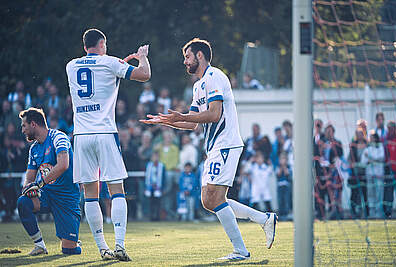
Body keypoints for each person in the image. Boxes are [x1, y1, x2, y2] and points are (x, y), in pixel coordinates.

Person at [141, 38, 277, 260]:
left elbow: (214, 114)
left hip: (226, 143)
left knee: (212, 197)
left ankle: (241, 249)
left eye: (187, 56)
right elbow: (194, 123)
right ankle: (264, 219)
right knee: (209, 200)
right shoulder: (198, 85)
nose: (185, 62)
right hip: (215, 147)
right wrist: (165, 121)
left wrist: (182, 115)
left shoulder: (215, 76)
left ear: (200, 56)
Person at [66, 28, 150, 261]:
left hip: (81, 135)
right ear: (102, 44)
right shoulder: (110, 62)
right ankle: (120, 244)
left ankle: (103, 248)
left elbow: (95, 72)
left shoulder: (71, 66)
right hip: (104, 132)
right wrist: (142, 56)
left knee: (90, 194)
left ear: (85, 46)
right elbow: (144, 75)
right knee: (116, 190)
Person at [17, 107, 81, 256]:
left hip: (66, 197)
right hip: (46, 194)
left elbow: (63, 165)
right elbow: (30, 177)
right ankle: (39, 245)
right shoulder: (33, 149)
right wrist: (27, 187)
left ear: (33, 124)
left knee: (69, 251)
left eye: (24, 126)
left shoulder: (59, 137)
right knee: (23, 202)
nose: (22, 130)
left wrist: (39, 184)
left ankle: (74, 242)